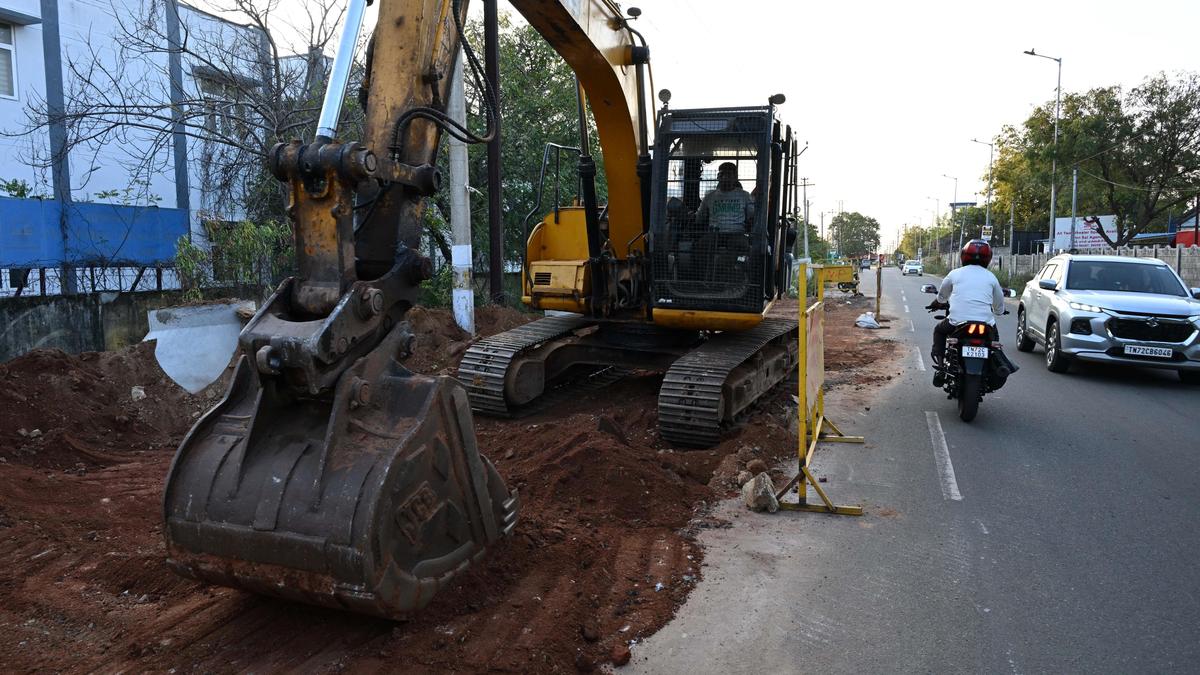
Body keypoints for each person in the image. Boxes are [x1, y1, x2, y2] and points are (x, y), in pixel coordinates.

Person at [927, 239, 1005, 386]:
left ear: (963, 256)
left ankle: (941, 367)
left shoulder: (955, 274)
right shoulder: (991, 277)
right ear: (988, 258)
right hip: (986, 324)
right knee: (994, 342)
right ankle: (998, 366)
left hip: (957, 321)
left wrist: (939, 303)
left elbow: (942, 297)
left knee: (939, 330)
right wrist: (999, 311)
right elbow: (999, 306)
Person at [694, 162, 755, 232]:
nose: (724, 177)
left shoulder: (745, 196)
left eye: (728, 175)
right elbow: (699, 217)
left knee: (741, 243)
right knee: (703, 242)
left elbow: (751, 216)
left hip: (737, 233)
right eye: (722, 174)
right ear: (718, 177)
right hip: (714, 233)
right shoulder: (709, 196)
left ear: (735, 177)